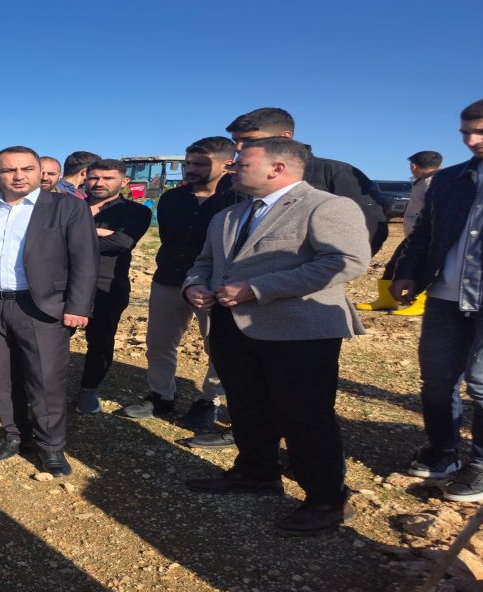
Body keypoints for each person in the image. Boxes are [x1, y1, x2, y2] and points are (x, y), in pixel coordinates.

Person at [183, 137, 370, 534]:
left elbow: (347, 261)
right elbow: (203, 262)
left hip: (298, 332)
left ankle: (326, 499)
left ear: (277, 168)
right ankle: (256, 472)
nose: (232, 168)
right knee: (247, 405)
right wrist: (193, 287)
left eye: (241, 163)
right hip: (233, 329)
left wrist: (258, 288)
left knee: (304, 415)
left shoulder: (326, 206)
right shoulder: (229, 216)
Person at [0, 146, 99, 477]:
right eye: (9, 170)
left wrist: (77, 306)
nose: (18, 175)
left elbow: (85, 260)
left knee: (45, 380)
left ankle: (51, 447)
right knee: (2, 378)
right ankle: (15, 435)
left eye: (27, 168)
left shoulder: (67, 208)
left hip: (41, 308)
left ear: (39, 171)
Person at [392, 94, 483, 502]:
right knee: (437, 381)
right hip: (444, 298)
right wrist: (407, 272)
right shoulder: (448, 179)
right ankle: (443, 451)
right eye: (466, 133)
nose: (473, 140)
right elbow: (423, 231)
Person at [119, 137, 239, 439]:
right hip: (169, 279)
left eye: (199, 163)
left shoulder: (238, 201)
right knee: (159, 342)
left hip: (214, 288)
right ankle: (161, 396)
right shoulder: (173, 199)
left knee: (219, 347)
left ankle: (209, 400)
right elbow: (170, 240)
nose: (190, 169)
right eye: (187, 163)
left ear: (227, 164)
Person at [226, 107, 390, 255]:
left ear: (285, 137)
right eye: (236, 141)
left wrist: (318, 271)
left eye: (249, 140)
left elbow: (369, 230)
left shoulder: (335, 173)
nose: (239, 147)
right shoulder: (235, 176)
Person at [73, 159, 152, 413]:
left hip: (107, 286)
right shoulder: (70, 206)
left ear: (123, 181)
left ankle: (88, 389)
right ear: (86, 178)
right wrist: (100, 233)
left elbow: (121, 242)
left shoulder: (136, 212)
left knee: (100, 340)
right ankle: (45, 386)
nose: (99, 183)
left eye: (108, 178)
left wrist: (74, 236)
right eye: (95, 178)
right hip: (64, 285)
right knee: (53, 338)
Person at [356, 150, 443, 315]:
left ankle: (422, 302)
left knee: (426, 268)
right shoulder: (425, 182)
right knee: (395, 265)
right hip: (415, 235)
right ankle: (387, 300)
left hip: (427, 235)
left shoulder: (432, 183)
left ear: (413, 166)